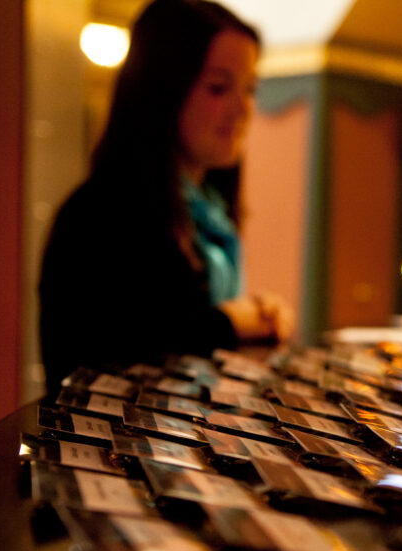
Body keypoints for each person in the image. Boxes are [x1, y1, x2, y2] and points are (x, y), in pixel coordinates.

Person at [39, 0, 293, 392]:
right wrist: (229, 322)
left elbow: (182, 320)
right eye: (218, 87)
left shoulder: (206, 213)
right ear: (162, 89)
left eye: (250, 88)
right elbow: (118, 350)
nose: (243, 108)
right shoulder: (100, 213)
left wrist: (256, 315)